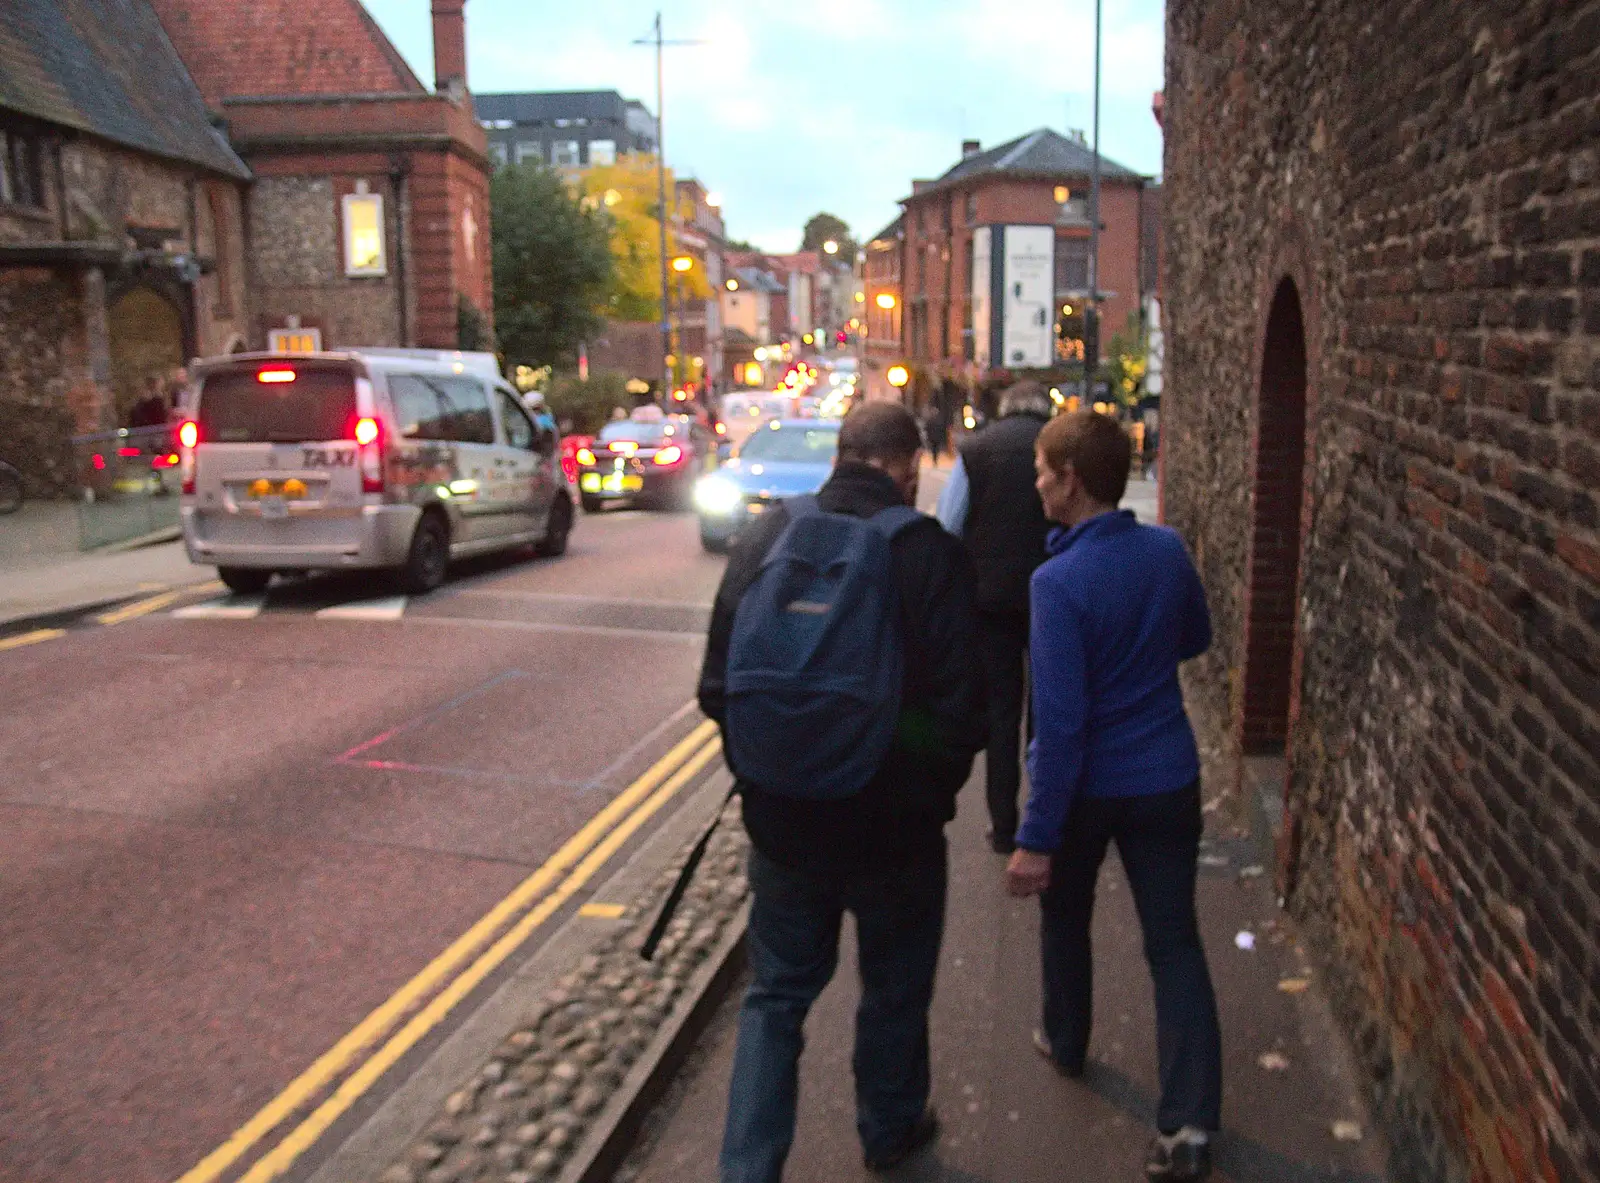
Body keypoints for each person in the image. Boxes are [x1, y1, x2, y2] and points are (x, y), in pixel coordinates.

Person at [699, 401, 983, 1183]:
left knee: (774, 1000)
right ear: (909, 466)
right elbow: (964, 710)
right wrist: (922, 786)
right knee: (893, 991)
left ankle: (746, 1169)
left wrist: (769, 776)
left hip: (785, 826)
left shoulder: (766, 535)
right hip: (895, 835)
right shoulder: (926, 553)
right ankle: (889, 1131)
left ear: (840, 454)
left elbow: (717, 687)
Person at [1005, 410, 1222, 1183]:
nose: (1035, 483)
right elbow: (1195, 637)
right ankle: (1191, 1123)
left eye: (1041, 470)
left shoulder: (1057, 581)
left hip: (1090, 789)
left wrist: (1035, 837)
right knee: (1176, 944)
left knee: (1065, 914)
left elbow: (1060, 727)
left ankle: (1066, 1039)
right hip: (1166, 773)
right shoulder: (1165, 551)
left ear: (1071, 479)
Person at [935, 380, 1054, 854]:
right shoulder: (1062, 445)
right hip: (1053, 599)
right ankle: (1047, 821)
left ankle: (1003, 826)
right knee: (1047, 714)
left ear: (1003, 410)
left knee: (1002, 715)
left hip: (991, 602)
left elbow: (948, 524)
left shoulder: (976, 450)